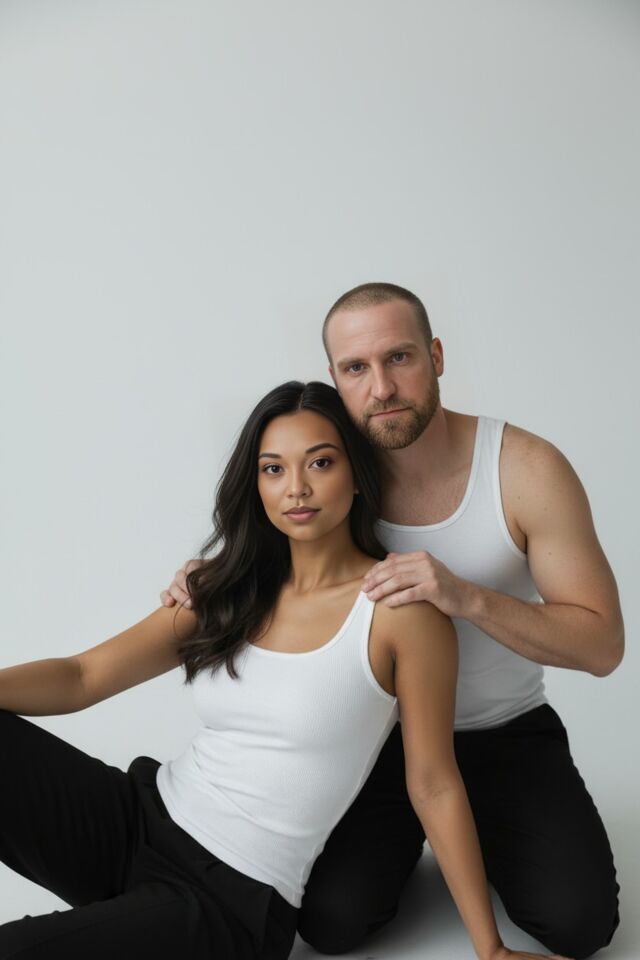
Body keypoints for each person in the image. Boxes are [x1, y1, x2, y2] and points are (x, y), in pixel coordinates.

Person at [0, 381, 569, 960]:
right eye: (273, 469)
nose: (296, 487)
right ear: (256, 484)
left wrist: (490, 949)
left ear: (357, 473)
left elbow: (432, 782)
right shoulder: (227, 588)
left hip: (228, 899)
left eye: (320, 462)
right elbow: (82, 676)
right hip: (138, 820)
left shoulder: (399, 613)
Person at [163, 283, 623, 960]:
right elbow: (273, 538)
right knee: (330, 925)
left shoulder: (525, 470)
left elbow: (603, 645)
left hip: (504, 732)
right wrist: (207, 575)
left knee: (581, 926)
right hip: (372, 741)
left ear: (436, 356)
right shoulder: (331, 470)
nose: (381, 387)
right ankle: (425, 840)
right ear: (335, 378)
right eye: (356, 368)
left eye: (399, 357)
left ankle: (483, 837)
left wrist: (467, 597)